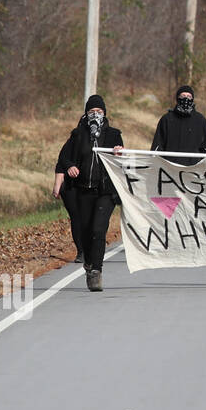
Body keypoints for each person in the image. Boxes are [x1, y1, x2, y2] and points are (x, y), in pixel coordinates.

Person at [57, 95, 124, 292]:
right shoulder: (77, 135)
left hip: (105, 191)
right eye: (92, 111)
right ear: (86, 114)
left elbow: (121, 159)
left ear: (105, 113)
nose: (96, 114)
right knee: (85, 230)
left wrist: (120, 151)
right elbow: (63, 158)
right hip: (82, 190)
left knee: (98, 230)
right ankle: (88, 262)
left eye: (100, 111)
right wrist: (70, 167)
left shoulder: (113, 134)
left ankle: (96, 270)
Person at [150, 85, 206, 165]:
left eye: (189, 96)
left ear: (192, 99)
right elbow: (157, 146)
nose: (186, 99)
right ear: (177, 98)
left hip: (193, 169)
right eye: (183, 96)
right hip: (170, 168)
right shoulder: (167, 119)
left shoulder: (200, 120)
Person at [52, 142, 82, 264]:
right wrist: (57, 184)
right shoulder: (74, 139)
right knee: (76, 217)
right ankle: (81, 251)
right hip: (71, 186)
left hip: (92, 186)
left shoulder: (106, 137)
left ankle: (93, 247)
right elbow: (62, 162)